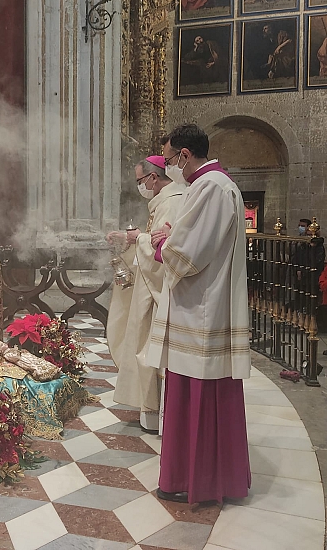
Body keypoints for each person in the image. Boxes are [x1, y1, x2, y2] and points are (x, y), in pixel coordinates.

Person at [147, 124, 251, 504]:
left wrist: (163, 245)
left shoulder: (210, 187)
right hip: (204, 305)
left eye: (171, 159)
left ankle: (196, 480)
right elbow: (198, 237)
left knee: (198, 394)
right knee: (202, 393)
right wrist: (174, 236)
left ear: (185, 155)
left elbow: (189, 253)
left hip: (200, 309)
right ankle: (204, 477)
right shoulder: (218, 185)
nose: (170, 166)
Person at [106, 156, 186, 433]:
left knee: (150, 348)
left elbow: (164, 249)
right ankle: (149, 410)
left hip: (159, 292)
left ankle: (157, 412)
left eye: (141, 181)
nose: (141, 186)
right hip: (151, 288)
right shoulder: (164, 200)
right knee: (145, 346)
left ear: (153, 178)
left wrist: (135, 238)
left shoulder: (173, 201)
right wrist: (135, 238)